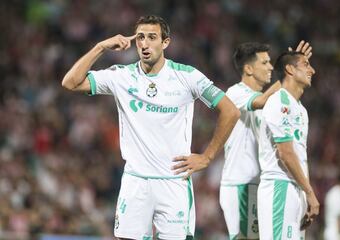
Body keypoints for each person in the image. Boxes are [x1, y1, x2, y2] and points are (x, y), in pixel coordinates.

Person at [61, 15, 239, 240]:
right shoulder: (121, 76)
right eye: (140, 38)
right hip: (136, 181)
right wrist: (101, 47)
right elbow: (70, 82)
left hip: (173, 182)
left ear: (165, 43)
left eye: (152, 37)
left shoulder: (187, 76)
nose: (144, 44)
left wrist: (208, 156)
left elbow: (230, 111)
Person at [220, 41, 311, 240]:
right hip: (240, 183)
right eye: (265, 62)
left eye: (272, 63)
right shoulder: (236, 92)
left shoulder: (272, 100)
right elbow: (258, 102)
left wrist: (294, 68)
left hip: (260, 184)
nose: (270, 67)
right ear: (249, 69)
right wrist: (287, 72)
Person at [257, 51, 320, 240]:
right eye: (306, 64)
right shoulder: (279, 102)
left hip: (296, 189)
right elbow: (286, 153)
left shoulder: (300, 108)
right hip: (279, 187)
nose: (313, 70)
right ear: (290, 69)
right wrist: (310, 193)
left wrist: (305, 190)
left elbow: (299, 155)